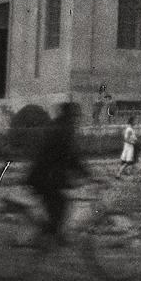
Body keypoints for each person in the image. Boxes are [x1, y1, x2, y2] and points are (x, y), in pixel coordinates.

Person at [26, 102, 86, 241]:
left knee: (58, 207)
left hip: (44, 175)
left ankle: (50, 235)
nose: (76, 119)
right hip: (44, 177)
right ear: (69, 115)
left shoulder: (58, 126)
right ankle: (45, 237)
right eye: (75, 116)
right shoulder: (63, 129)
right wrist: (88, 174)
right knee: (60, 205)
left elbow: (67, 157)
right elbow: (71, 156)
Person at [116, 115, 138, 179]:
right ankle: (118, 174)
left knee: (131, 162)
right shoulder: (129, 130)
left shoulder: (130, 129)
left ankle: (134, 176)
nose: (136, 122)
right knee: (128, 162)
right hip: (129, 147)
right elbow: (126, 139)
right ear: (132, 121)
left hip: (129, 147)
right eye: (135, 121)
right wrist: (132, 142)